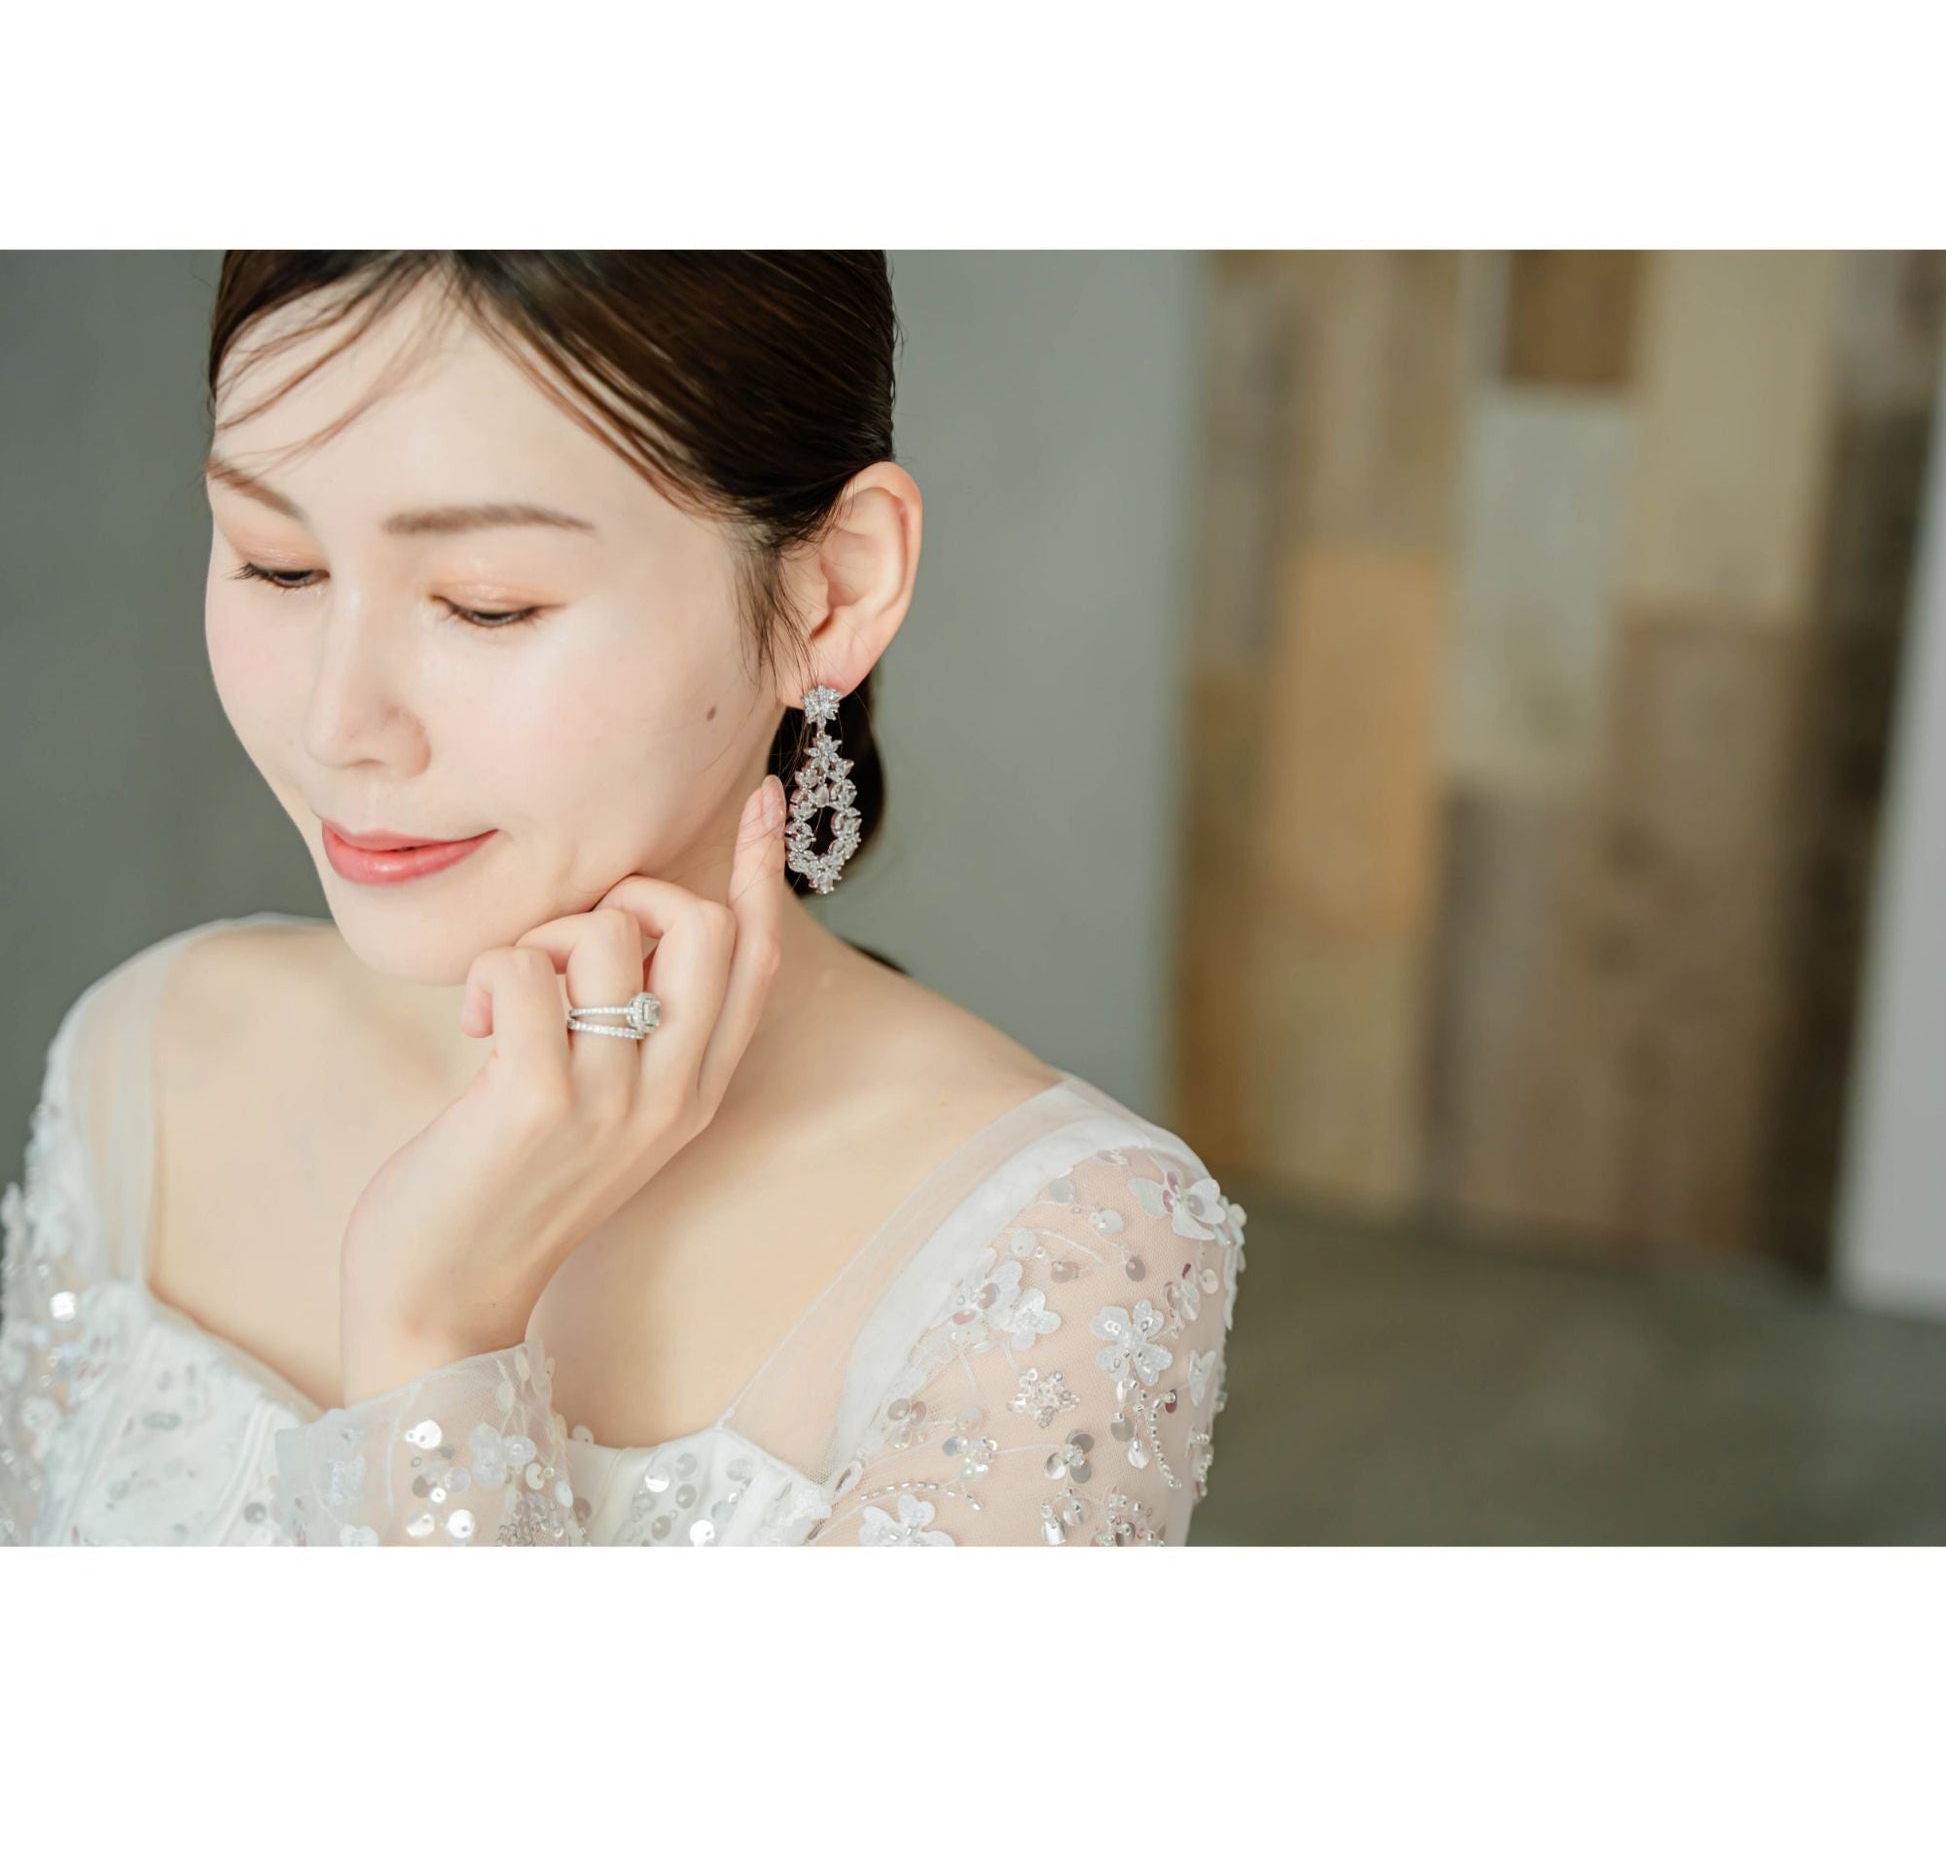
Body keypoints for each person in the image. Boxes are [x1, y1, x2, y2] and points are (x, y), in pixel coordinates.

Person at [0, 251, 1245, 1547]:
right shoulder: (150, 1052)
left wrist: (435, 1332)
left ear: (833, 588)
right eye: (278, 566)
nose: (336, 723)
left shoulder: (1059, 1250)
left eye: (486, 604)